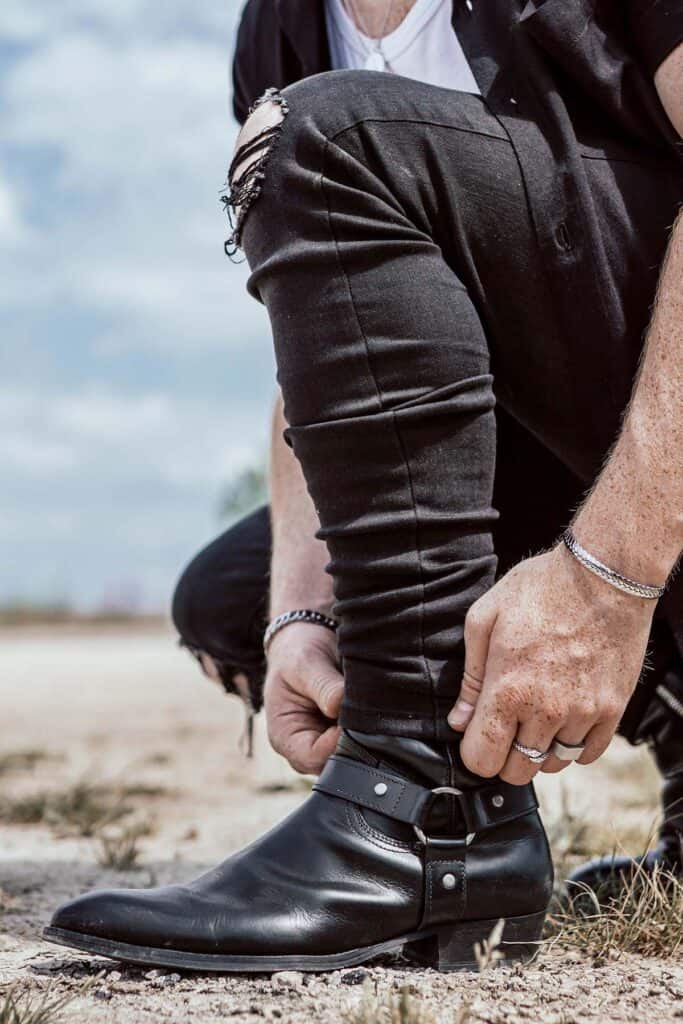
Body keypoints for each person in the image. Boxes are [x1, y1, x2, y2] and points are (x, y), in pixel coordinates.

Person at [45, 0, 682, 971]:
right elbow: (330, 333)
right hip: (565, 449)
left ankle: (421, 813)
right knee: (242, 601)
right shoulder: (278, 33)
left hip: (657, 442)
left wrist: (608, 573)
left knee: (324, 136)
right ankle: (453, 827)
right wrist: (301, 607)